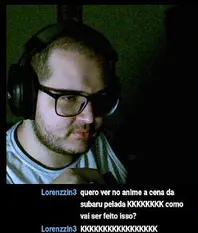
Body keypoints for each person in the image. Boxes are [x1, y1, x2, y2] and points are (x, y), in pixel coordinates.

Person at [6, 22, 128, 185]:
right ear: (27, 97)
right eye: (69, 97)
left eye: (100, 97)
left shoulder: (116, 144)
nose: (90, 118)